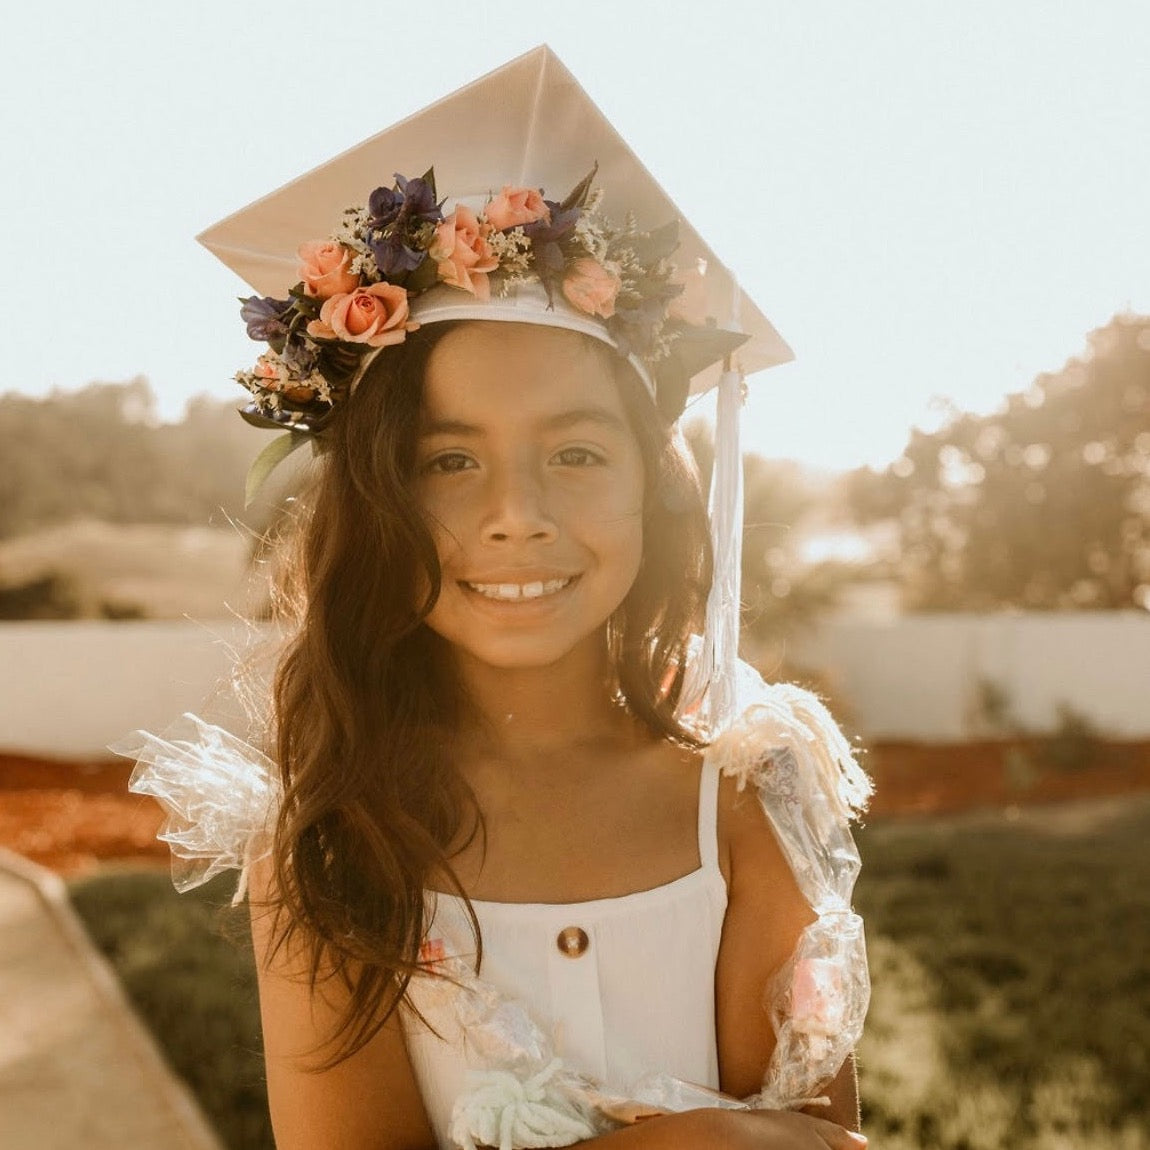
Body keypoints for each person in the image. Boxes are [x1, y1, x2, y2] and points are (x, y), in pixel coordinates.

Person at [115, 46, 872, 1150]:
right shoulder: (335, 841)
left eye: (575, 454)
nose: (516, 516)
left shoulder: (739, 801)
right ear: (377, 502)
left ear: (654, 489)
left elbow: (819, 1138)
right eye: (448, 462)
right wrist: (687, 1143)